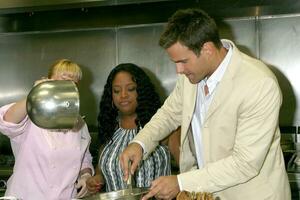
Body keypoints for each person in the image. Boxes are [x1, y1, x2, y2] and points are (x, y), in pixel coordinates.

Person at [119, 8, 291, 200]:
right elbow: (168, 114)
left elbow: (245, 163)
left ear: (207, 49)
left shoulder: (259, 83)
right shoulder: (191, 76)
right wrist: (139, 144)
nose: (179, 70)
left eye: (183, 61)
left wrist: (181, 182)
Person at [0, 59, 94, 200]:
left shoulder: (78, 122)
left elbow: (84, 157)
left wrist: (85, 175)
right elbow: (6, 122)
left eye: (73, 84)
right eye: (62, 82)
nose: (67, 88)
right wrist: (34, 96)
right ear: (47, 82)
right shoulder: (31, 112)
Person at [85, 63, 173, 193]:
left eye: (131, 89)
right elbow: (102, 168)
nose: (123, 95)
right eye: (116, 91)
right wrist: (98, 178)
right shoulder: (110, 129)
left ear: (142, 92)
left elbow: (189, 167)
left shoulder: (162, 126)